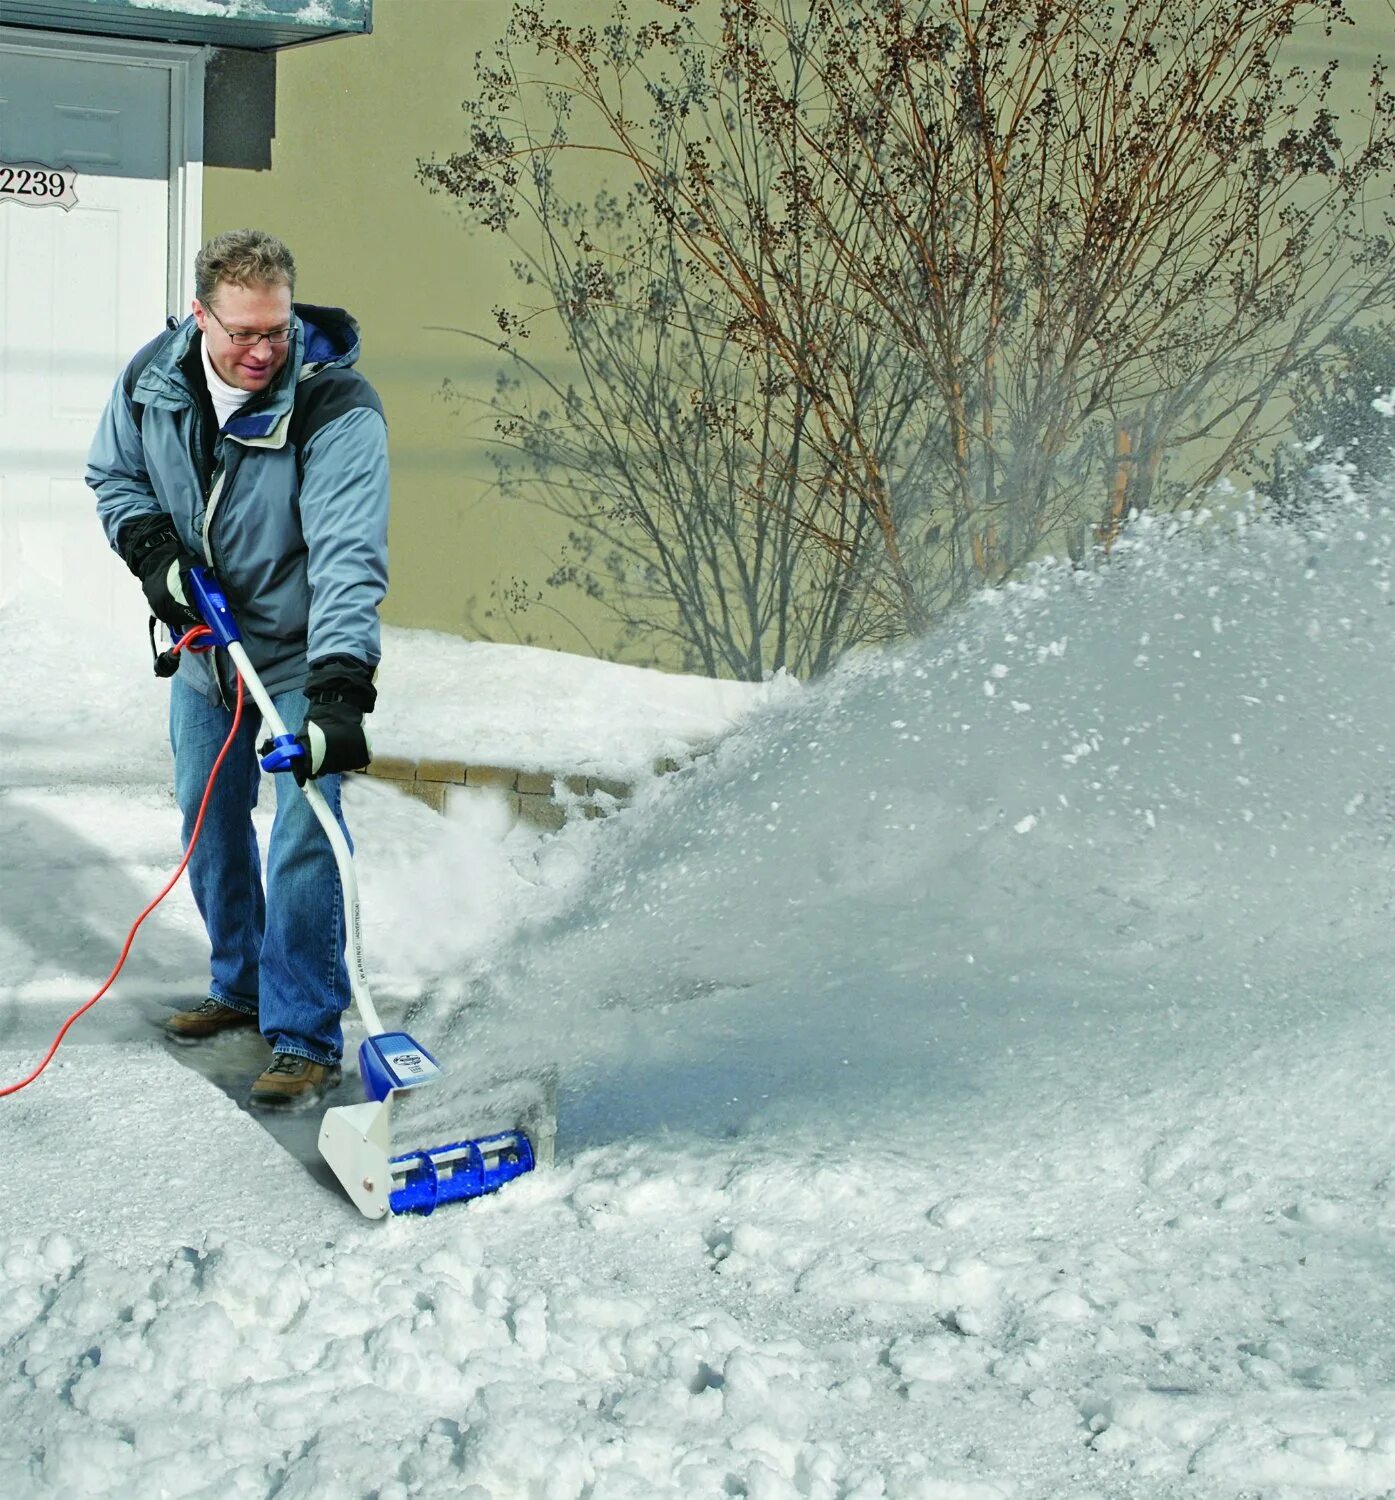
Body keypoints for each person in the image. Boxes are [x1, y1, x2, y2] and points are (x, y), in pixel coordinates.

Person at [86, 228, 388, 1111]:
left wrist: (337, 692)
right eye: (243, 333)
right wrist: (153, 552)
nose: (262, 351)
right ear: (200, 316)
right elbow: (115, 476)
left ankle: (302, 1035)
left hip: (298, 654)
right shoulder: (155, 378)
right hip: (207, 651)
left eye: (278, 331)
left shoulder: (335, 407)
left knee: (303, 831)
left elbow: (346, 555)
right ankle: (240, 985)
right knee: (206, 817)